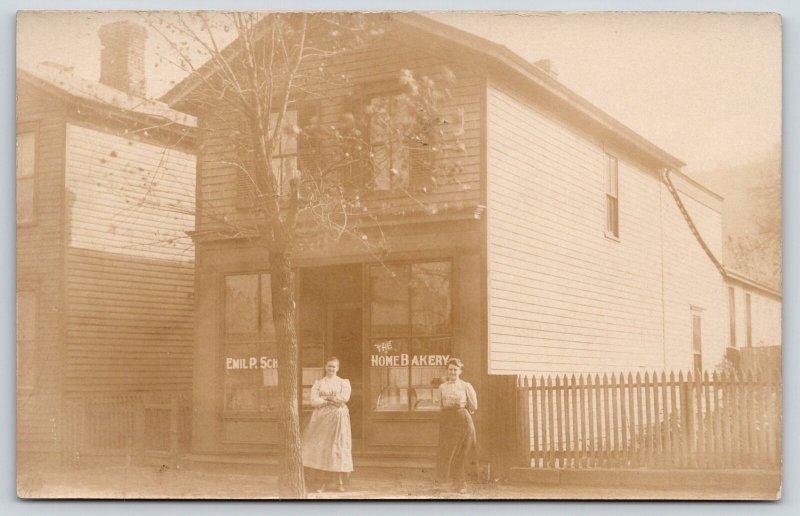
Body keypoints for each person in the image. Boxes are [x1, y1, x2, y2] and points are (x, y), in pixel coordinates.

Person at [302, 356, 353, 492]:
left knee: (336, 447)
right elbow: (313, 401)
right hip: (321, 419)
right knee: (322, 448)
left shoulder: (344, 383)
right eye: (329, 366)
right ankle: (321, 482)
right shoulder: (318, 383)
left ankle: (338, 482)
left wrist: (325, 399)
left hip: (338, 418)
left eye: (334, 367)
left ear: (337, 368)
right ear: (325, 367)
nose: (331, 369)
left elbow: (344, 398)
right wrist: (330, 401)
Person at [435, 357, 477, 494]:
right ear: (447, 371)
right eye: (450, 369)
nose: (452, 372)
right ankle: (451, 483)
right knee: (448, 452)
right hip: (447, 421)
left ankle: (462, 484)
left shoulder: (466, 386)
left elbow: (474, 406)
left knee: (461, 453)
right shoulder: (442, 387)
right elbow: (440, 405)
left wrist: (461, 412)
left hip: (462, 422)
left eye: (455, 370)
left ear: (460, 371)